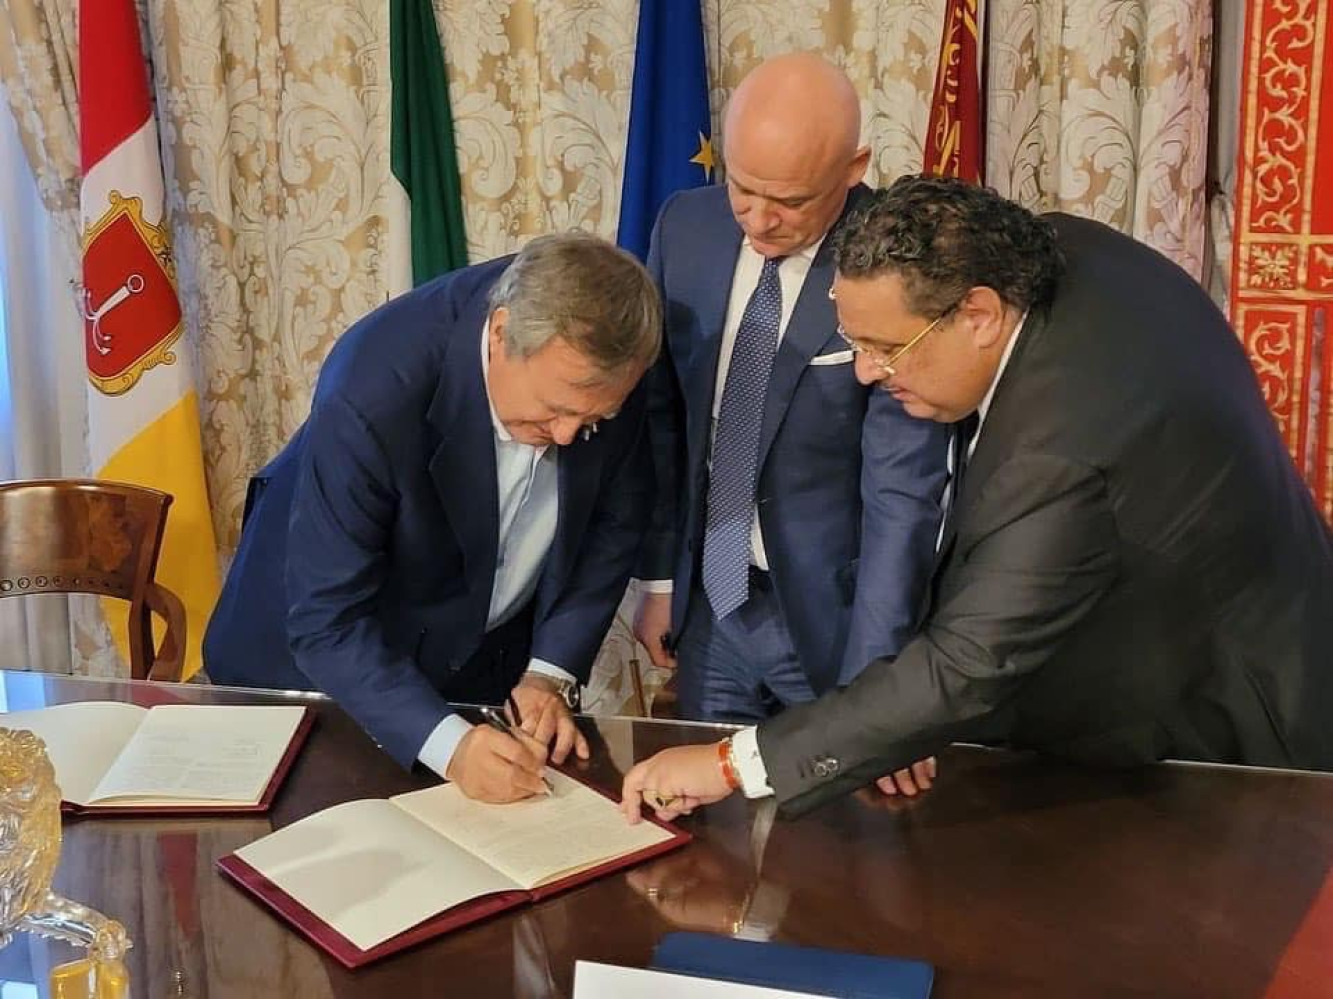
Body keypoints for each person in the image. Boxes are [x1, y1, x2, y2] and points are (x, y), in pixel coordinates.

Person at [620, 174, 1333, 822]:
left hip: (1227, 737)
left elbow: (964, 666)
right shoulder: (1058, 246)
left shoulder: (1057, 457)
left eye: (887, 348)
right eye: (855, 342)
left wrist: (731, 764)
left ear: (979, 315)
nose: (866, 373)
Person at [203, 232, 661, 803]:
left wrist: (547, 673)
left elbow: (614, 522)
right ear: (500, 334)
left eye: (592, 421)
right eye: (554, 412)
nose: (569, 437)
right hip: (307, 677)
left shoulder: (611, 354)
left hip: (466, 658)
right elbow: (327, 621)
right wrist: (449, 746)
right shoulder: (373, 389)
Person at [633, 53, 949, 725]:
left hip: (835, 622)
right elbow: (661, 419)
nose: (758, 218)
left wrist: (873, 676)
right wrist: (659, 580)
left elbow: (902, 492)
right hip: (709, 608)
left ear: (853, 167)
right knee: (707, 787)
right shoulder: (684, 228)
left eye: (790, 201)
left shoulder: (901, 262)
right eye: (742, 187)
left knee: (839, 792)